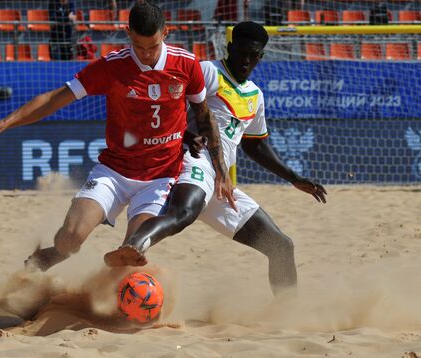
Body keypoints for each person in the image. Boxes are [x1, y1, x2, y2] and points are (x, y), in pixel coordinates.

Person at [0, 1, 234, 272]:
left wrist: (221, 171)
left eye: (153, 46)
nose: (146, 54)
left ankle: (109, 297)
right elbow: (54, 99)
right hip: (114, 171)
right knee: (69, 239)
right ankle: (48, 257)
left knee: (132, 250)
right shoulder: (112, 67)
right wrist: (1, 125)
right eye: (139, 46)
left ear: (165, 33)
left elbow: (205, 117)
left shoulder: (187, 63)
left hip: (160, 176)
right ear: (128, 33)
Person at [104, 21, 327, 295]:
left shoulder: (255, 96)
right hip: (192, 159)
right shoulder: (209, 72)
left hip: (221, 183)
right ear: (230, 47)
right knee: (184, 212)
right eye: (241, 52)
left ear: (261, 57)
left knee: (281, 246)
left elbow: (255, 147)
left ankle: (288, 313)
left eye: (253, 55)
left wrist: (295, 178)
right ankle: (133, 247)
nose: (245, 60)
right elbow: (166, 110)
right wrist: (186, 137)